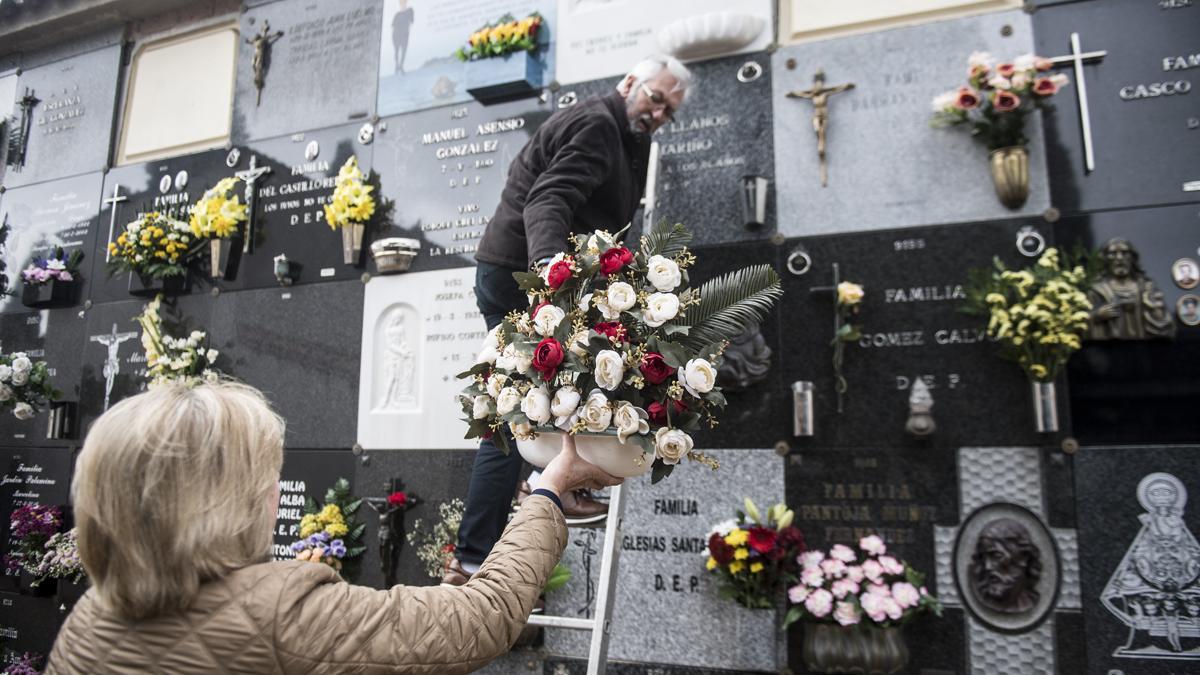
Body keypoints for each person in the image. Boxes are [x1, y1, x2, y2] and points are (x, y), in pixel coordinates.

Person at [47, 382, 621, 674]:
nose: (275, 493)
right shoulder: (279, 615)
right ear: (220, 506)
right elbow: (482, 618)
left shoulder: (89, 620)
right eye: (266, 478)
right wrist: (547, 491)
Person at [447, 55, 692, 587]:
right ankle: (472, 559)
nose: (658, 114)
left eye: (668, 111)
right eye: (655, 98)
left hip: (530, 272)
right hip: (523, 274)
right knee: (514, 411)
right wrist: (550, 276)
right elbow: (549, 198)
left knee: (544, 393)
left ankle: (548, 486)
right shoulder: (599, 124)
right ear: (631, 82)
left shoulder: (624, 134)